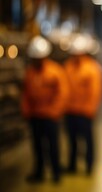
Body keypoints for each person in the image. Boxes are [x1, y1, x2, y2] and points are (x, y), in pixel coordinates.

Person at [21, 35, 69, 183]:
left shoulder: (55, 71)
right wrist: (27, 110)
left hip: (50, 117)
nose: (37, 61)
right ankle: (39, 172)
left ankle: (56, 173)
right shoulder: (30, 72)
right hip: (35, 116)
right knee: (37, 147)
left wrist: (54, 112)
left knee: (53, 146)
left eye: (39, 58)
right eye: (34, 58)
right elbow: (26, 93)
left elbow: (62, 93)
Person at [63, 33, 102, 175]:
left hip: (85, 111)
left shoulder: (91, 68)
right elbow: (64, 88)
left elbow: (95, 91)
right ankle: (72, 165)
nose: (75, 56)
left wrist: (90, 109)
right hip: (70, 110)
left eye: (77, 54)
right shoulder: (68, 66)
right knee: (72, 139)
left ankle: (89, 165)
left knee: (87, 140)